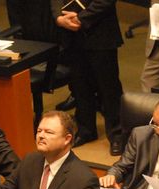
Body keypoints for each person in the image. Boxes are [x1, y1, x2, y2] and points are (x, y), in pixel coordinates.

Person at [51, 0, 124, 156]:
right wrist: (58, 17)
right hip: (71, 36)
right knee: (80, 85)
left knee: (109, 87)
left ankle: (117, 134)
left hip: (101, 32)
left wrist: (81, 18)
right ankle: (86, 130)